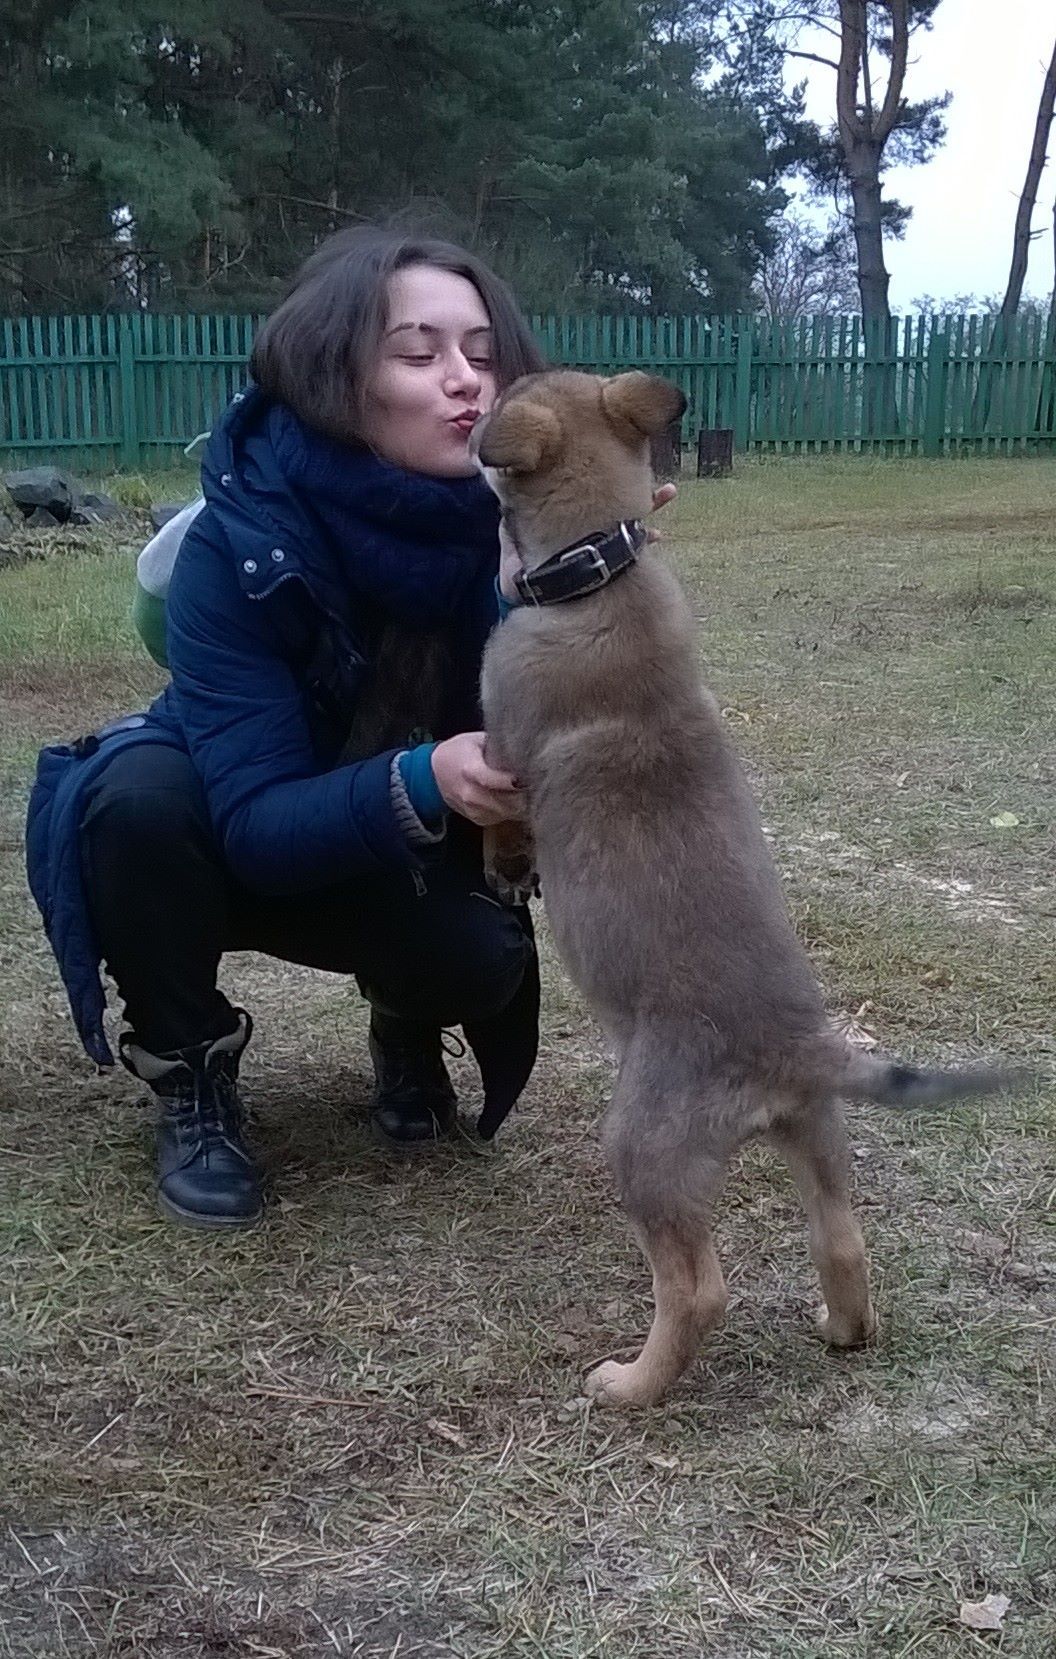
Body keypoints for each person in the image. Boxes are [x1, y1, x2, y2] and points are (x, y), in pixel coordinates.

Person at [25, 225, 673, 1231]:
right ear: (337, 377)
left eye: (484, 353)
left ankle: (408, 1020)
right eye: (419, 355)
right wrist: (427, 778)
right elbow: (253, 819)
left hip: (396, 843)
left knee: (481, 953)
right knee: (134, 804)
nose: (466, 381)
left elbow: (598, 740)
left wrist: (573, 583)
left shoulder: (524, 520)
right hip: (240, 835)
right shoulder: (238, 539)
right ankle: (192, 1069)